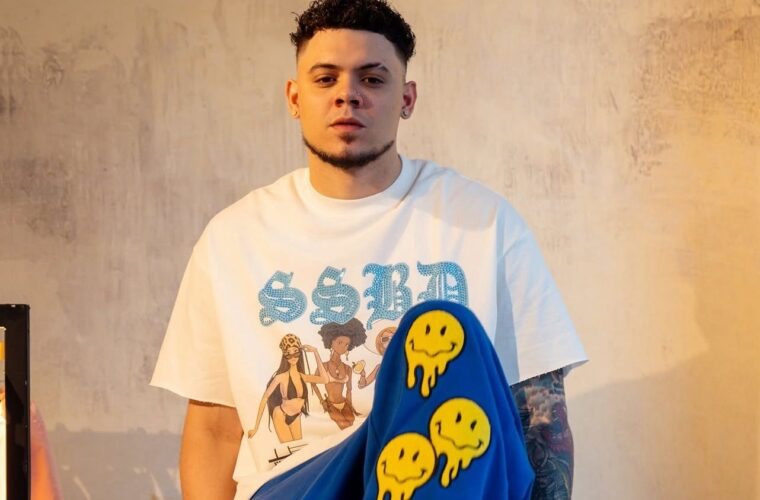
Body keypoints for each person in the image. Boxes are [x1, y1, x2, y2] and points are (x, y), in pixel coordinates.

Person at [150, 1, 587, 499]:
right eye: (325, 79)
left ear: (407, 98)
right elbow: (214, 430)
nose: (347, 95)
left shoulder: (484, 223)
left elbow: (539, 412)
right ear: (294, 97)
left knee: (443, 328)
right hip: (299, 486)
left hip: (437, 480)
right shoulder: (234, 237)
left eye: (372, 79)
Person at [246, 334, 328, 443]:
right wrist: (256, 427)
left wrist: (315, 352)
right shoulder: (280, 377)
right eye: (288, 353)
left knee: (298, 449)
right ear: (284, 356)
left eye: (295, 352)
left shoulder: (303, 377)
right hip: (281, 414)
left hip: (296, 416)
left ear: (300, 353)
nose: (293, 356)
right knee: (289, 449)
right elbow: (265, 397)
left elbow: (325, 379)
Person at [314, 319, 367, 429]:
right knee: (343, 426)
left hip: (345, 403)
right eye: (340, 342)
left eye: (347, 344)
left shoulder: (348, 368)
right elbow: (313, 383)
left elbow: (349, 390)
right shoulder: (323, 366)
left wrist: (351, 406)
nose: (343, 347)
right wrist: (322, 401)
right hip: (331, 405)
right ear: (331, 342)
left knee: (351, 425)